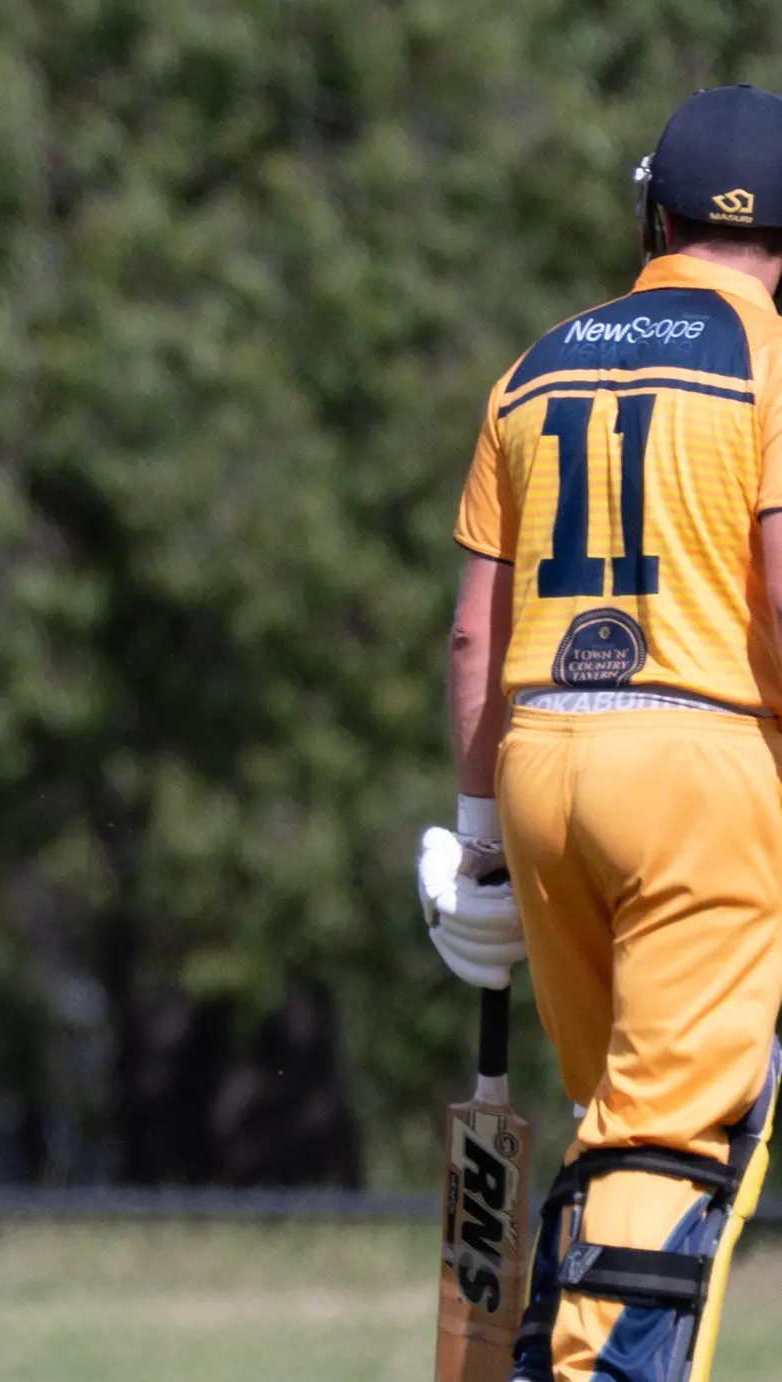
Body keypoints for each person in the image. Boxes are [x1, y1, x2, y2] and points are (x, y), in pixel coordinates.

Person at [420, 84, 782, 1382]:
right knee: (678, 1135)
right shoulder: (767, 357)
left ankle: (548, 1350)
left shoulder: (534, 362)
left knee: (615, 1120)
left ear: (655, 212)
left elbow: (474, 636)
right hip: (700, 761)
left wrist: (475, 850)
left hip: (542, 765)